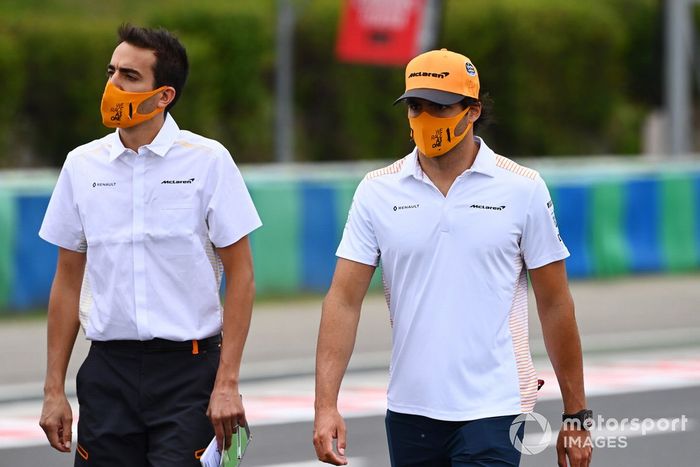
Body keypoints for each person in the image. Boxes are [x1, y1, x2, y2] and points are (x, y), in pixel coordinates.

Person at [313, 49, 593, 467]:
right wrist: (325, 405)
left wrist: (576, 415)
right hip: (410, 410)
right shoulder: (376, 191)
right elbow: (343, 299)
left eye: (440, 107)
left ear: (473, 110)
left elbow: (554, 303)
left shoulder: (523, 189)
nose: (426, 118)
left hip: (495, 409)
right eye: (415, 106)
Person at [38, 24, 261, 466]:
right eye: (111, 71)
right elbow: (66, 282)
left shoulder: (208, 160)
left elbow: (242, 276)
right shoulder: (81, 165)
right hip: (107, 372)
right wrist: (52, 391)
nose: (113, 84)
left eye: (130, 76)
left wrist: (227, 382)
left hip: (189, 373)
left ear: (164, 96)